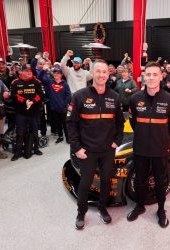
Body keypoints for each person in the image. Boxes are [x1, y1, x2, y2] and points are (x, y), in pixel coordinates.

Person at [67, 60, 124, 230]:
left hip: (107, 150)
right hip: (88, 151)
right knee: (85, 183)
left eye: (104, 72)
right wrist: (76, 148)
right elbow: (71, 124)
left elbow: (120, 122)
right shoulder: (79, 96)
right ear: (92, 73)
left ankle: (102, 207)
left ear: (109, 74)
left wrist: (117, 141)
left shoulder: (115, 97)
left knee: (106, 181)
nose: (101, 75)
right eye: (98, 71)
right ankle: (81, 211)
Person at [127, 61, 170, 228]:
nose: (151, 77)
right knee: (140, 180)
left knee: (160, 181)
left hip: (160, 149)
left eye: (154, 74)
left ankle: (161, 210)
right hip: (140, 148)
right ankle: (140, 206)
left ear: (161, 76)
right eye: (148, 74)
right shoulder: (134, 99)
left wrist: (161, 139)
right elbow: (133, 122)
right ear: (143, 76)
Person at [10, 64, 44, 161]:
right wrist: (25, 101)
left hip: (34, 112)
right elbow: (13, 95)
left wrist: (32, 101)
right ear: (21, 72)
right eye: (26, 70)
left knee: (35, 131)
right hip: (21, 113)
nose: (29, 72)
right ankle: (18, 152)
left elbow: (41, 95)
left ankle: (36, 148)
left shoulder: (37, 81)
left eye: (30, 71)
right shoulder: (15, 82)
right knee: (20, 132)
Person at [46, 68, 71, 143]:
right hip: (54, 108)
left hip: (63, 108)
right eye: (54, 73)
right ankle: (60, 136)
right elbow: (40, 78)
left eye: (58, 73)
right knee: (58, 124)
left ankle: (68, 138)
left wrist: (63, 104)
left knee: (65, 124)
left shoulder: (65, 84)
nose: (56, 74)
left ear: (61, 75)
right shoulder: (50, 82)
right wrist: (44, 70)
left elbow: (68, 95)